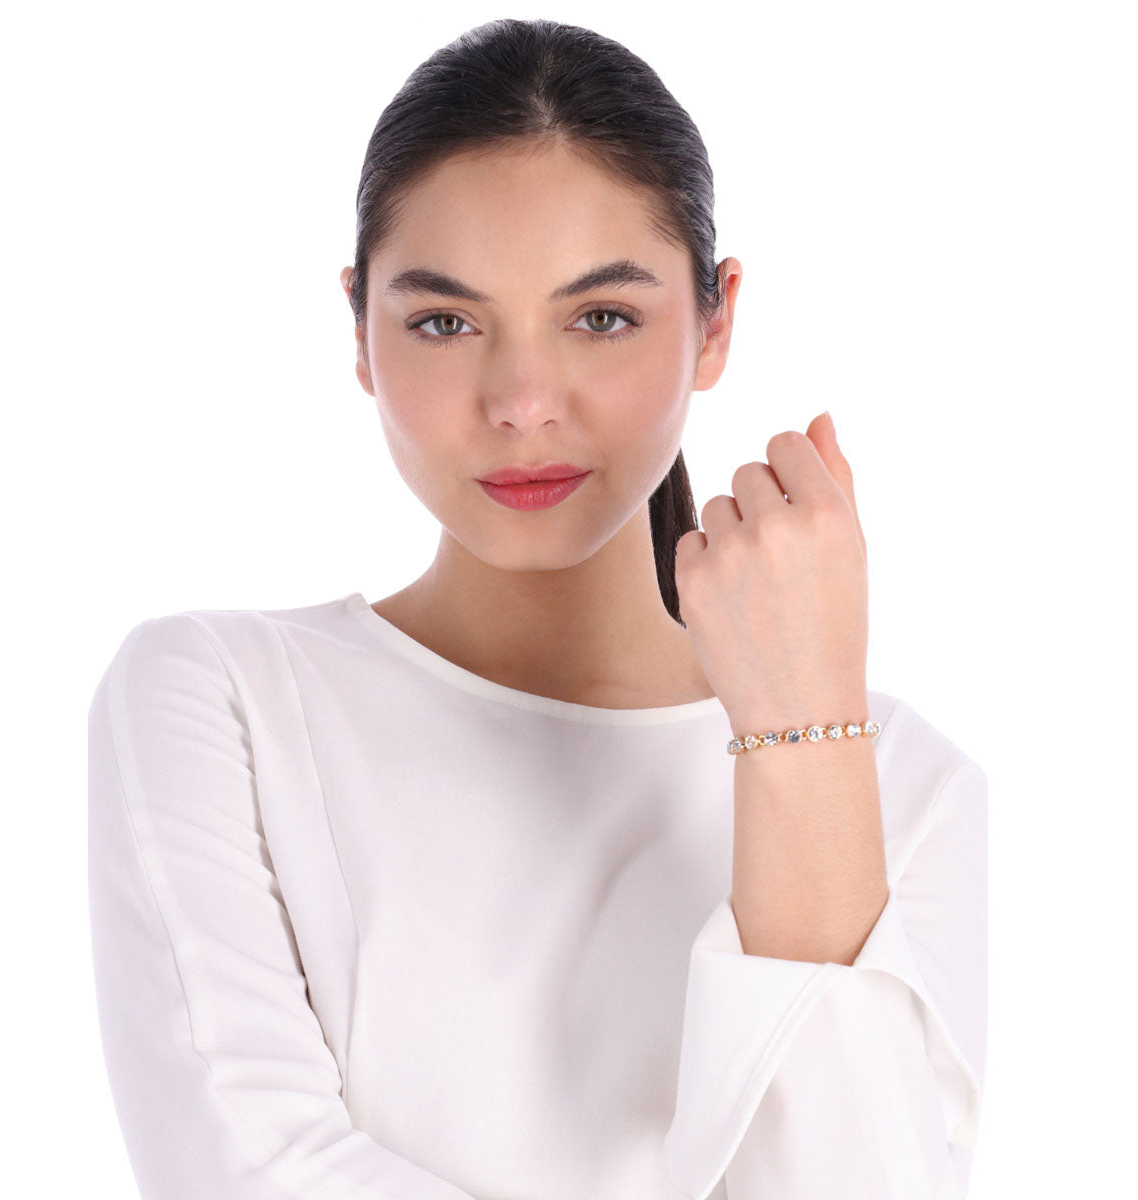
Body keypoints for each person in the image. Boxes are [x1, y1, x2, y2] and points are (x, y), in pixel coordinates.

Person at [86, 17, 990, 1200]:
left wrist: (801, 737)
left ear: (715, 321)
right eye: (445, 321)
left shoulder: (905, 785)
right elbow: (250, 1173)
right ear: (359, 331)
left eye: (601, 317)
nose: (521, 402)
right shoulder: (220, 703)